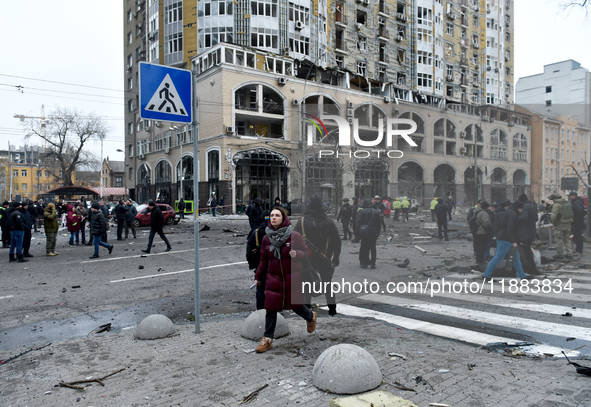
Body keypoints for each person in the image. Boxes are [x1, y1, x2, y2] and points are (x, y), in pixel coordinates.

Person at [253, 206, 317, 353]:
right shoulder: (266, 238)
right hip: (273, 279)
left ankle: (310, 317)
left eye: (277, 215)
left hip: (292, 277)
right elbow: (263, 261)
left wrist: (297, 254)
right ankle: (267, 339)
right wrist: (258, 278)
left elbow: (306, 252)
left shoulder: (294, 236)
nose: (274, 217)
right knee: (271, 308)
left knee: (296, 306)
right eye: (272, 215)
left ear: (284, 218)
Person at [294, 195, 341, 316]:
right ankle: (332, 310)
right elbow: (336, 241)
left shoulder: (302, 221)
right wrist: (336, 257)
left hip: (307, 258)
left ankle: (307, 311)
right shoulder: (328, 221)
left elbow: (294, 239)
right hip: (324, 257)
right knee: (327, 284)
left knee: (306, 284)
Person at [482, 201, 533, 281]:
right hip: (506, 239)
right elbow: (510, 228)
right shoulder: (512, 214)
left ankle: (522, 275)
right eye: (521, 209)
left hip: (504, 237)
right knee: (498, 257)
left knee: (516, 257)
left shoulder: (508, 212)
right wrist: (514, 241)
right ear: (519, 208)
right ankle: (486, 275)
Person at [246, 210, 270, 310]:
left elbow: (248, 251)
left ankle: (260, 309)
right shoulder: (275, 231)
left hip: (259, 264)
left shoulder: (256, 232)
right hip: (274, 264)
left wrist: (252, 264)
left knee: (260, 288)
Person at [517, 194, 540, 274]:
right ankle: (532, 265)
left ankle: (527, 266)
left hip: (524, 231)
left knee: (524, 249)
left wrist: (516, 218)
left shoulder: (525, 207)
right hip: (532, 230)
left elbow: (524, 218)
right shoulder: (533, 206)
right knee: (528, 249)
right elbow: (536, 218)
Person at [355, 199, 381, 269]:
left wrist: (357, 234)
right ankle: (373, 263)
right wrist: (377, 233)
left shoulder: (361, 212)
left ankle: (364, 263)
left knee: (364, 247)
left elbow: (358, 223)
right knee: (373, 248)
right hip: (373, 232)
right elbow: (379, 224)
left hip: (364, 232)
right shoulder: (375, 212)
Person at [549, 193, 574, 259]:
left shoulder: (557, 205)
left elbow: (553, 216)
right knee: (567, 239)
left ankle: (560, 254)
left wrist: (554, 223)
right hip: (568, 224)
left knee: (559, 239)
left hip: (560, 224)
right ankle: (570, 253)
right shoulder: (567, 203)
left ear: (555, 198)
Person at [472, 200, 493, 266]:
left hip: (477, 231)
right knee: (483, 246)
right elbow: (486, 223)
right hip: (483, 232)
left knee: (478, 246)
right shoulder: (484, 213)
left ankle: (478, 259)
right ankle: (481, 260)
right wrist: (490, 226)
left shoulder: (476, 211)